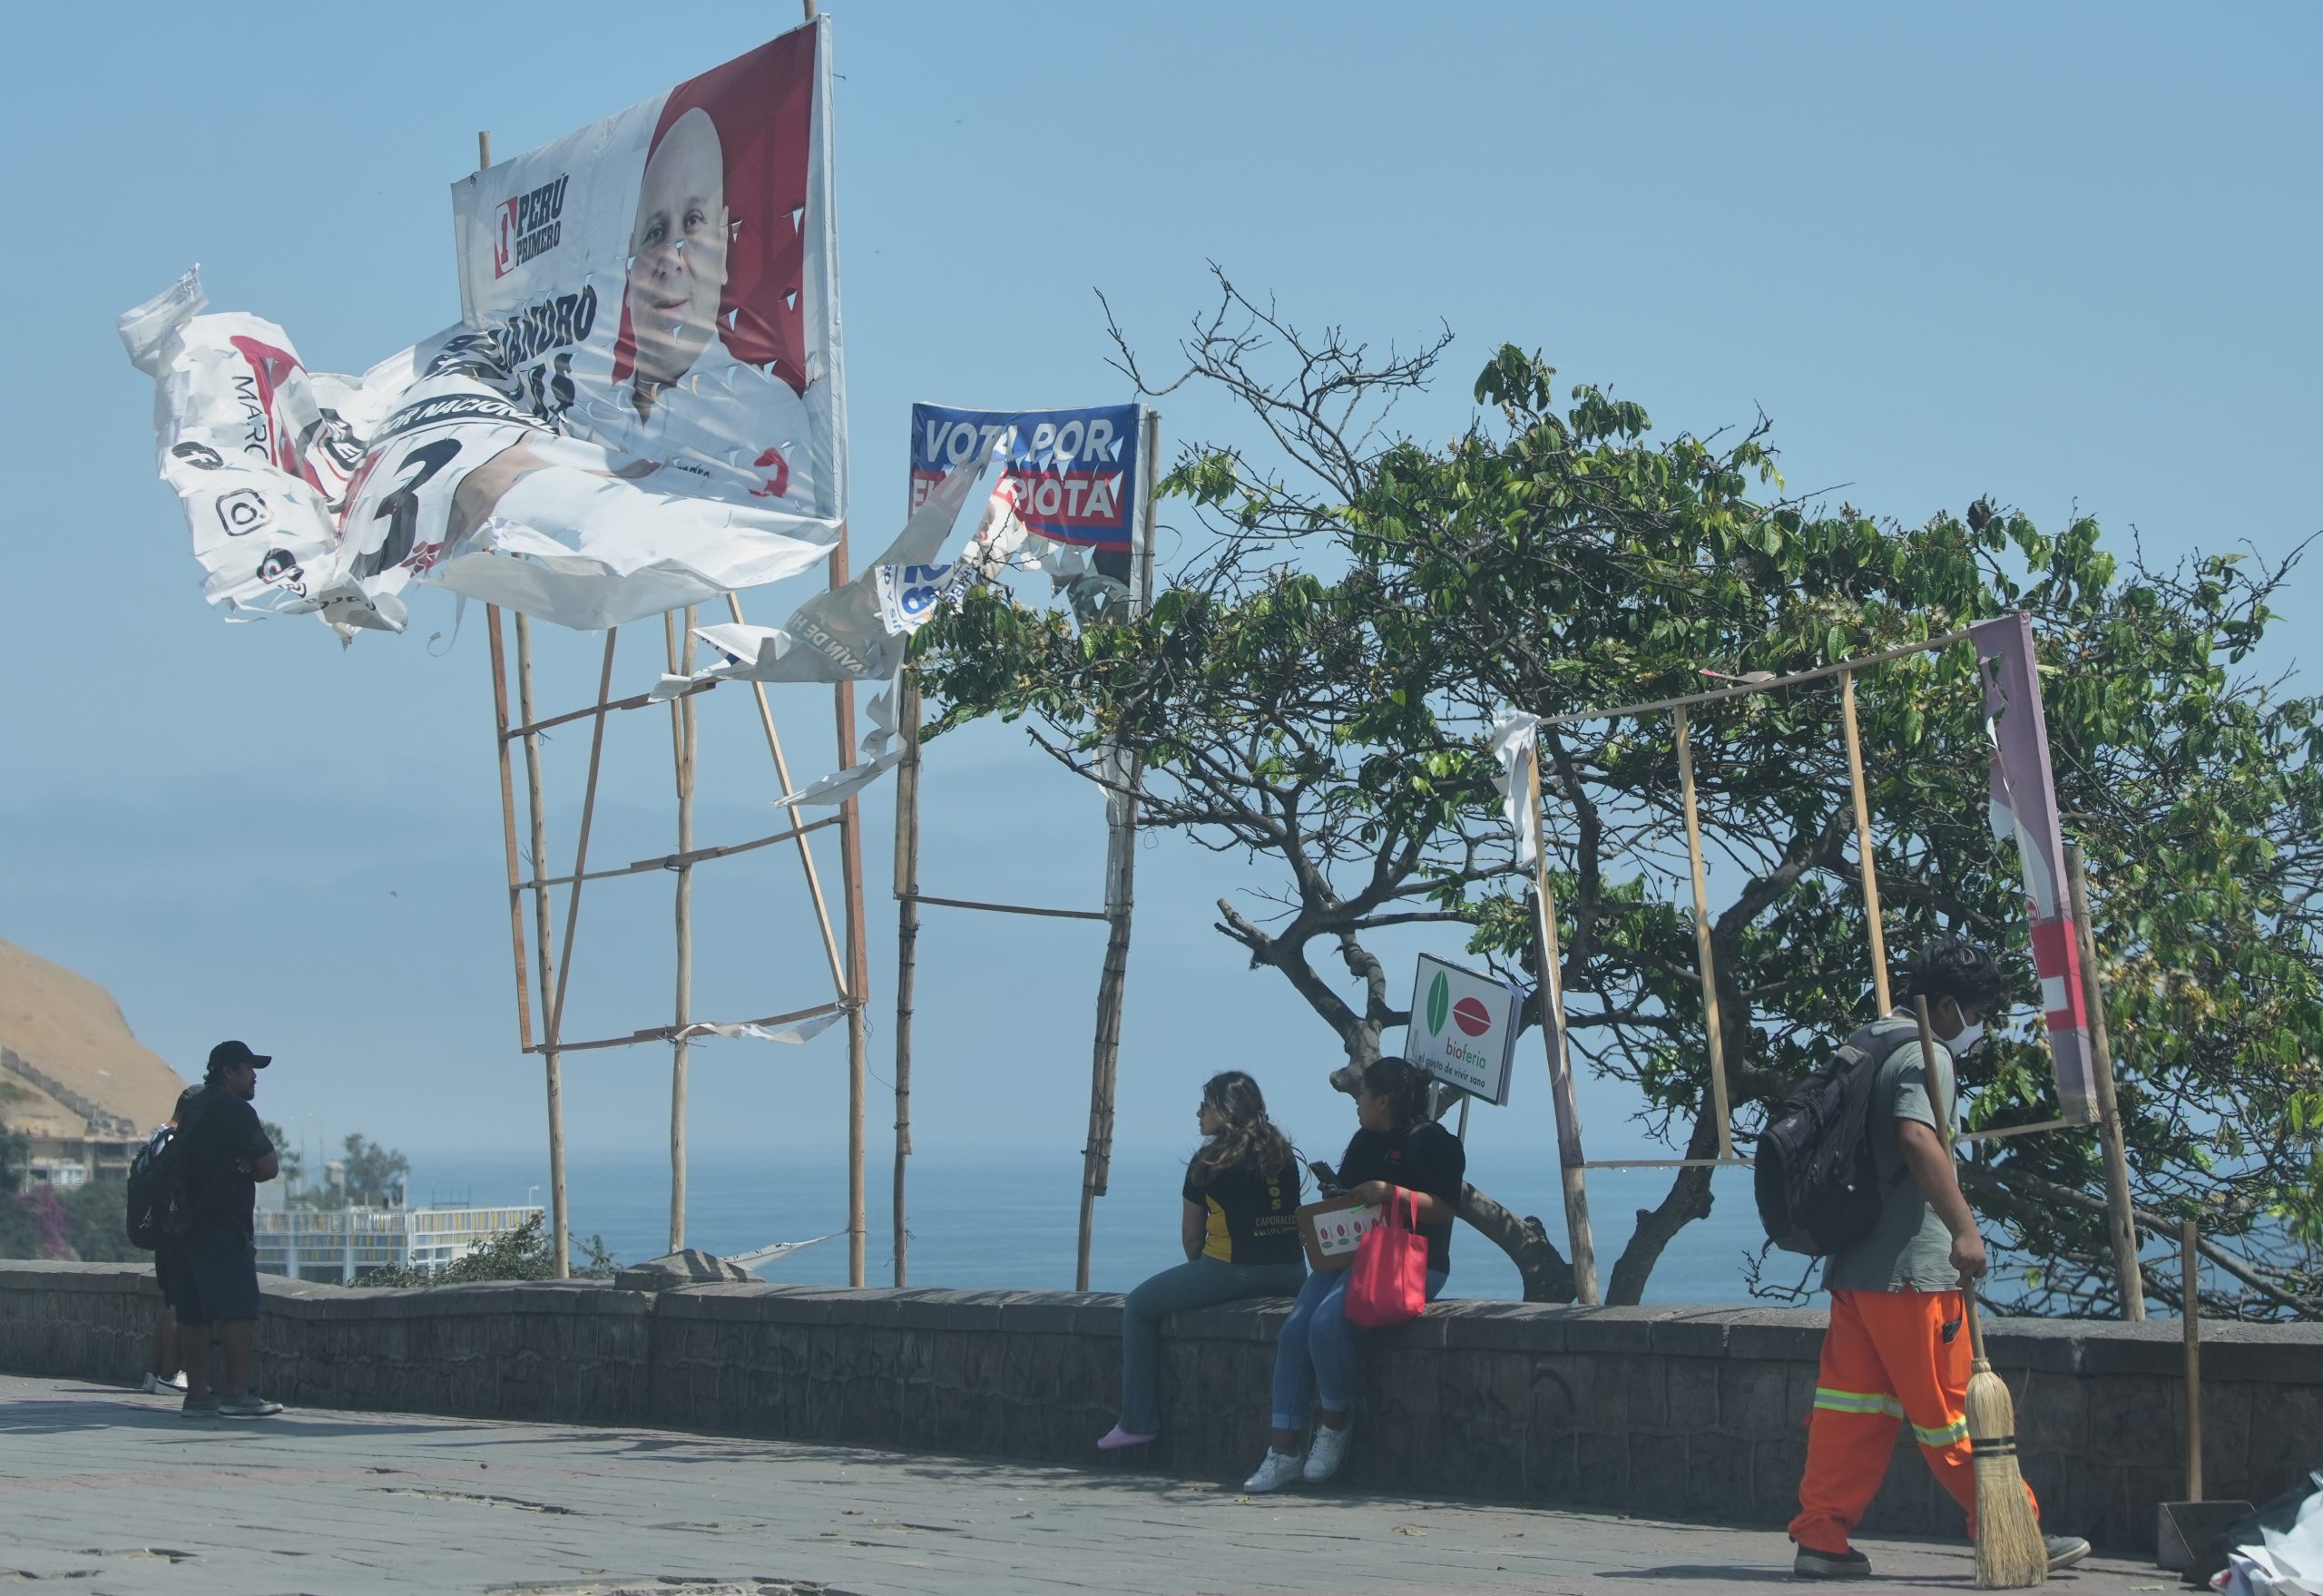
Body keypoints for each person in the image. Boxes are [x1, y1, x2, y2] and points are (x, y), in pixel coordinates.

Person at [1789, 939, 2089, 1578]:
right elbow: (1916, 1136)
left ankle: (1822, 1535)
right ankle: (2014, 1527)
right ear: (1948, 1006)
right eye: (1977, 1012)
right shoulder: (1927, 1053)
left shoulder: (1868, 1037)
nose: (1978, 1027)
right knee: (1954, 1409)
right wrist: (1965, 1229)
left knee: (1849, 1412)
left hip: (1855, 1269)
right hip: (1912, 1274)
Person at [1243, 1055, 1465, 1493]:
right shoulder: (1365, 1141)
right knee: (1295, 1330)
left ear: (1383, 1101)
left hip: (1409, 1259)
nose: (1357, 1103)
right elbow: (1353, 1196)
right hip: (1352, 1254)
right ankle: (1283, 1449)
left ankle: (1334, 1423)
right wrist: (1338, 1195)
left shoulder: (1433, 1142)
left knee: (1328, 1324)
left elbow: (1443, 1209)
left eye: (1363, 1095)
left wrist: (1391, 1193)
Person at [594, 106, 819, 508]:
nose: (670, 257)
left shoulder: (767, 414)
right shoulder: (588, 421)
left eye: (693, 222)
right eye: (655, 232)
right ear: (630, 262)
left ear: (723, 243)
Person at [1096, 1072, 1307, 1451]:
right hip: (1291, 1273)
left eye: (1205, 1105)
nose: (1198, 1113)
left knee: (1139, 1306)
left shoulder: (1210, 1158)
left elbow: (1193, 1238)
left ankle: (1137, 1421)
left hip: (1232, 1271)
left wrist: (1203, 1272)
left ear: (1226, 1111)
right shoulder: (1282, 1151)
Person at [167, 1041, 284, 1418]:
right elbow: (268, 1167)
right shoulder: (237, 1110)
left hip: (184, 1225)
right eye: (249, 1069)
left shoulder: (195, 1106)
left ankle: (197, 1395)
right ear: (228, 1071)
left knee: (194, 1311)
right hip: (223, 1226)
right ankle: (237, 1392)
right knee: (239, 1307)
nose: (254, 1077)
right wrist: (248, 1166)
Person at [140, 1085, 203, 1396]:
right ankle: (169, 1374)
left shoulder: (159, 1135)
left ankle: (154, 1374)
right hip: (175, 1231)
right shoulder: (175, 1140)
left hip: (162, 1231)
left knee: (169, 1302)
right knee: (180, 1303)